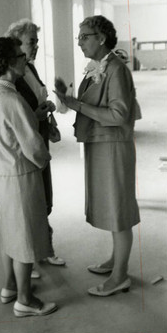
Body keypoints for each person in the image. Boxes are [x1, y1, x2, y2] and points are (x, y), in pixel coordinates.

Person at [55, 15, 140, 297]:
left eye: (84, 36)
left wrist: (78, 104)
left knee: (119, 210)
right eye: (78, 37)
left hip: (114, 145)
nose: (79, 42)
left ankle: (120, 277)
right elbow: (88, 105)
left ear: (101, 38)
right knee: (112, 206)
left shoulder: (116, 70)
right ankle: (116, 261)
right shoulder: (97, 68)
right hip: (100, 143)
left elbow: (118, 115)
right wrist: (68, 101)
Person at [0, 37, 58, 317]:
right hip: (20, 176)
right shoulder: (12, 98)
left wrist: (31, 116)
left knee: (11, 234)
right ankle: (25, 300)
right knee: (26, 238)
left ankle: (9, 286)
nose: (24, 58)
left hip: (1, 175)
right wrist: (44, 159)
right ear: (7, 62)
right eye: (19, 55)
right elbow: (33, 146)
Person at [5, 19, 65, 269]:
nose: (36, 46)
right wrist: (36, 114)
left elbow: (37, 96)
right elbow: (14, 114)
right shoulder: (11, 75)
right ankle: (33, 255)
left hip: (39, 139)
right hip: (26, 145)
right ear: (17, 43)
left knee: (44, 196)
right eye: (32, 41)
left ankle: (44, 248)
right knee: (32, 199)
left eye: (37, 41)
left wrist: (47, 105)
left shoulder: (30, 68)